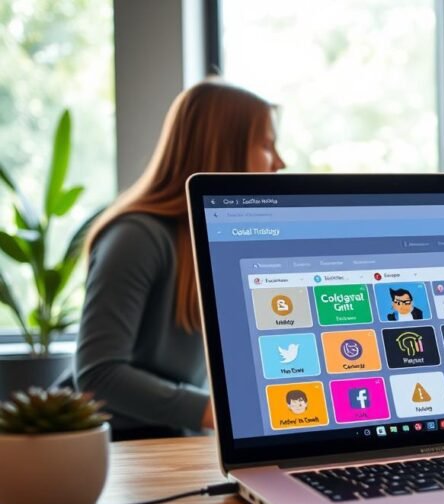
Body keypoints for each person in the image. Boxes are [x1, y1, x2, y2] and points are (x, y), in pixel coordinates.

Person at [72, 80, 285, 440]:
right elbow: (99, 374)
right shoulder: (136, 237)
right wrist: (216, 413)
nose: (279, 162)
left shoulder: (223, 242)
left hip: (182, 440)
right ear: (223, 150)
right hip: (122, 449)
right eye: (266, 145)